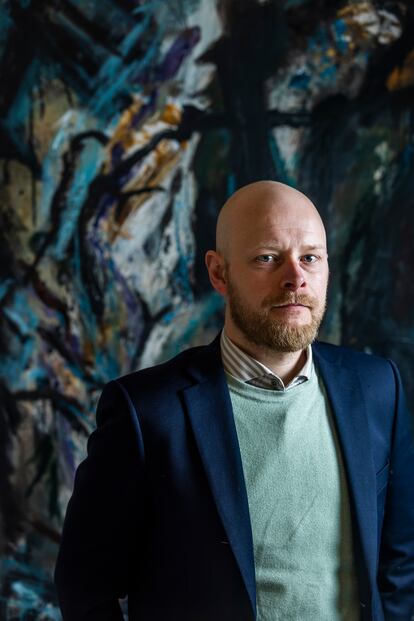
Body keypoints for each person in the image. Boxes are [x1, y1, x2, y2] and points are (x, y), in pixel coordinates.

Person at [54, 181, 414, 621]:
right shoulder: (146, 413)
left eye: (310, 257)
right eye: (267, 257)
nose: (295, 277)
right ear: (219, 273)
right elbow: (84, 588)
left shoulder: (377, 386)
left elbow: (401, 562)